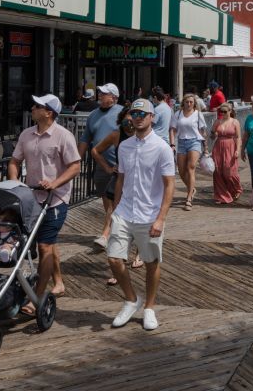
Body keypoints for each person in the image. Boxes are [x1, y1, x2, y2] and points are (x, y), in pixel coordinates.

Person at [107, 98, 176, 331]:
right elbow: (121, 179)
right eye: (134, 113)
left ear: (151, 118)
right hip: (125, 211)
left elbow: (169, 185)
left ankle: (149, 307)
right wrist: (114, 209)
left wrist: (161, 218)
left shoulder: (162, 147)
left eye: (142, 114)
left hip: (149, 214)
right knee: (114, 259)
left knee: (151, 262)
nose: (137, 117)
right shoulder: (124, 146)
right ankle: (130, 299)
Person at [9, 93, 81, 311]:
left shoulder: (63, 136)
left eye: (37, 106)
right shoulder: (26, 134)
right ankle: (58, 282)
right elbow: (14, 161)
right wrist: (14, 183)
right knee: (48, 244)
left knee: (44, 245)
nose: (32, 108)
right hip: (30, 198)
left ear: (48, 112)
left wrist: (55, 183)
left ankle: (36, 297)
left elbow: (75, 166)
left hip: (55, 199)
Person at [92, 110, 144, 282]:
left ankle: (139, 253)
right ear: (121, 121)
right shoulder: (116, 135)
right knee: (118, 218)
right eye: (126, 120)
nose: (130, 122)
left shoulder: (142, 134)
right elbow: (95, 151)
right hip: (119, 180)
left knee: (139, 219)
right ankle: (118, 264)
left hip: (139, 183)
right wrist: (107, 168)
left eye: (133, 119)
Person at [79, 84, 124, 250]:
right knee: (107, 200)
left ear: (114, 97)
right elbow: (85, 138)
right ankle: (113, 229)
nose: (100, 95)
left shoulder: (122, 112)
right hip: (101, 164)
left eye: (104, 93)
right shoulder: (93, 115)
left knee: (113, 201)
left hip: (120, 165)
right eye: (100, 92)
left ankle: (106, 234)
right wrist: (77, 160)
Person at [171, 94, 208, 209]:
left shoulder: (198, 114)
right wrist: (172, 144)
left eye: (191, 102)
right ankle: (192, 189)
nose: (189, 104)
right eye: (187, 102)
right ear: (183, 103)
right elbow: (172, 130)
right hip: (181, 142)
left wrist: (205, 147)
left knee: (190, 167)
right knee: (181, 171)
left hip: (194, 141)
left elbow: (203, 131)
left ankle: (188, 198)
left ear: (194, 103)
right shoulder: (178, 115)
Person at [210, 102, 242, 205]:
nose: (222, 113)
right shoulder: (217, 122)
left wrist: (238, 150)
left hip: (230, 146)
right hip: (218, 146)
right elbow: (212, 135)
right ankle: (221, 196)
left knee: (230, 172)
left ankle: (236, 189)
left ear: (230, 111)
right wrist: (212, 133)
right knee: (218, 171)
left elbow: (238, 137)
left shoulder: (235, 122)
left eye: (225, 112)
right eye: (221, 112)